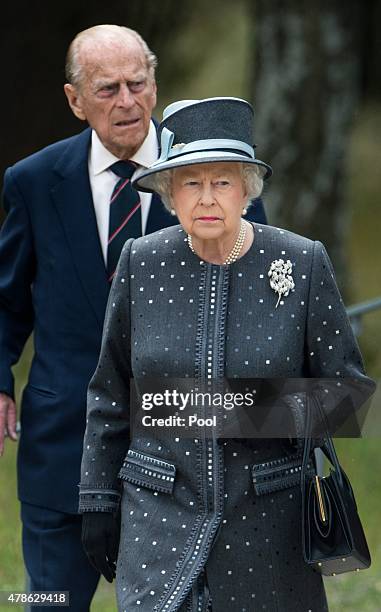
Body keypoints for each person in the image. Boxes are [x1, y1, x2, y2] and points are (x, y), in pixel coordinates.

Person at [0, 25, 268, 611]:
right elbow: (7, 302)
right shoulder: (33, 181)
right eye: (106, 89)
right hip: (62, 449)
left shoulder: (214, 177)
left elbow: (258, 299)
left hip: (188, 455)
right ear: (74, 100)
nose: (126, 102)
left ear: (153, 84)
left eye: (137, 84)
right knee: (48, 604)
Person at [78, 96, 374, 611]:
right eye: (191, 182)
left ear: (247, 189)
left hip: (268, 528)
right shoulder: (141, 262)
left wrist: (215, 409)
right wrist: (97, 501)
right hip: (158, 523)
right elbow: (109, 391)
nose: (207, 198)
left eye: (222, 181)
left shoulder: (302, 261)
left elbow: (346, 399)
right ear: (171, 192)